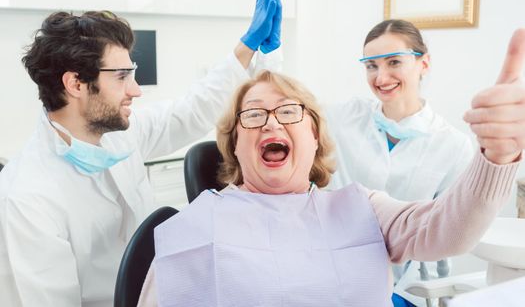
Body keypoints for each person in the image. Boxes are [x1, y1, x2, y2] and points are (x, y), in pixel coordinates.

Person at [137, 27, 525, 306]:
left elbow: (446, 231)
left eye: (289, 112)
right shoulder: (192, 226)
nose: (272, 123)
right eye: (253, 115)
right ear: (234, 144)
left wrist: (498, 155)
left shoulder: (362, 207)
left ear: (316, 137)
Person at [0, 0, 282, 307]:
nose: (135, 90)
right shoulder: (27, 198)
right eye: (121, 77)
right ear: (75, 83)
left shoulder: (116, 134)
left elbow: (190, 110)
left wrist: (247, 46)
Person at [324, 19, 474, 305]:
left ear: (423, 64)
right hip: (334, 272)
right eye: (372, 66)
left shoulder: (452, 146)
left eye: (394, 62)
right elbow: (288, 109)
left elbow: (446, 235)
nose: (381, 78)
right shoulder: (344, 119)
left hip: (407, 287)